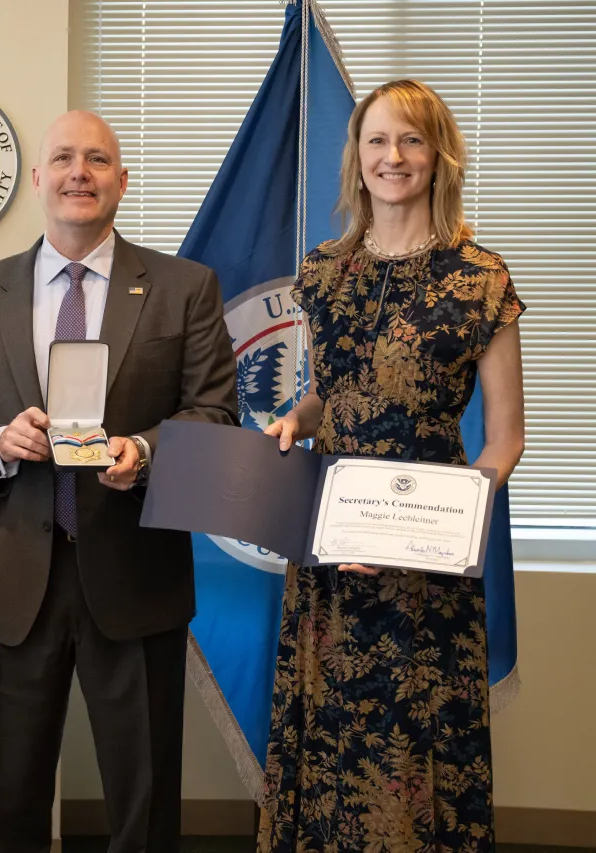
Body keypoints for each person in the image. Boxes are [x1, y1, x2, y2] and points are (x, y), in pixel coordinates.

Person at [0, 111, 238, 853]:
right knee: (10, 795)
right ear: (37, 179)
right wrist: (1, 440)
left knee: (145, 795)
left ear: (121, 183)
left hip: (137, 571)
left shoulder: (183, 287)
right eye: (63, 157)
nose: (78, 173)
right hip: (18, 581)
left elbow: (218, 411)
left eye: (97, 160)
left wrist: (144, 450)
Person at [258, 79, 526, 851]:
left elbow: (505, 438)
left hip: (426, 559)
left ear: (439, 155)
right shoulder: (322, 271)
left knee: (411, 743)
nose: (393, 156)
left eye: (411, 139)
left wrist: (426, 533)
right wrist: (293, 419)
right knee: (331, 736)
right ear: (357, 156)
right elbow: (329, 394)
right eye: (377, 139)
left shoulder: (481, 278)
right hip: (332, 549)